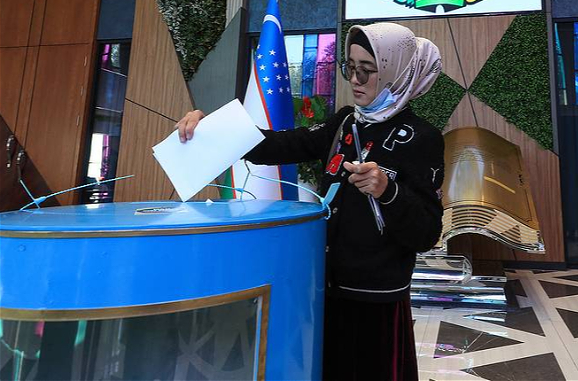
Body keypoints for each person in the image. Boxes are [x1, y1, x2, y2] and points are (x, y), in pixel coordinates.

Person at [177, 23, 445, 380]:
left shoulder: (422, 137)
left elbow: (427, 233)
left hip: (374, 298)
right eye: (351, 67)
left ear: (396, 73)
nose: (356, 79)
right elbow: (281, 144)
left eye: (368, 70)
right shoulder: (346, 121)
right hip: (322, 285)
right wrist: (212, 128)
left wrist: (388, 190)